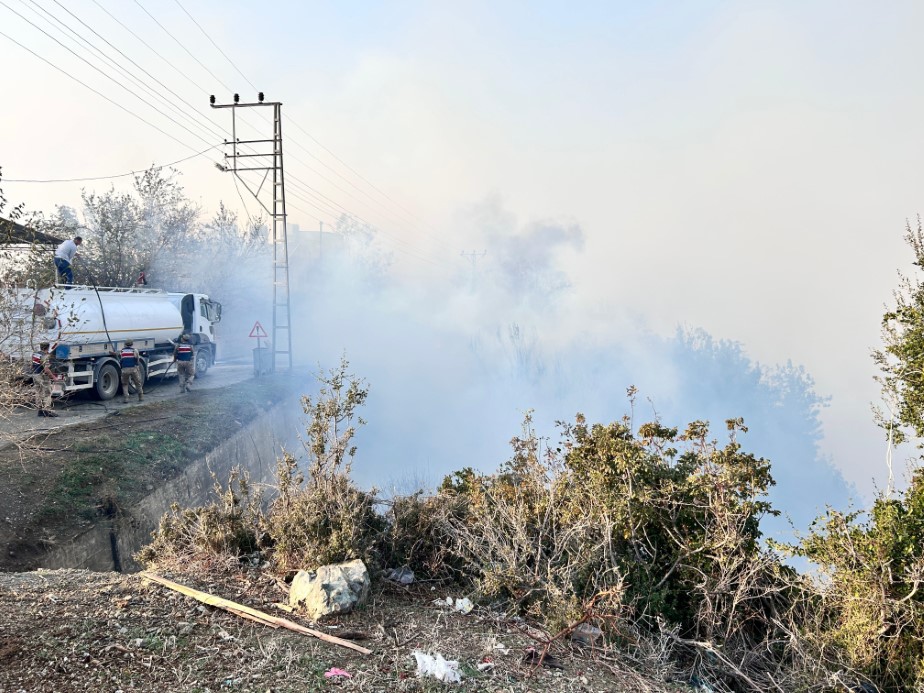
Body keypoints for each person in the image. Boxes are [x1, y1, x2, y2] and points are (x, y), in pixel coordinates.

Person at [31, 342, 59, 417]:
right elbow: (46, 369)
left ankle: (40, 410)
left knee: (38, 392)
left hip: (35, 374)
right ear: (47, 347)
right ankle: (47, 410)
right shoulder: (45, 356)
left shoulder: (35, 354)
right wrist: (54, 377)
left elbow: (32, 365)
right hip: (42, 375)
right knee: (47, 392)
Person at [117, 339, 143, 404]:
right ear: (132, 344)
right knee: (138, 383)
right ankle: (141, 396)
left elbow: (121, 359)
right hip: (133, 368)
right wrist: (137, 366)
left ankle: (126, 398)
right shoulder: (135, 350)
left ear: (125, 344)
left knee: (125, 384)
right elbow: (137, 359)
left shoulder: (122, 351)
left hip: (125, 369)